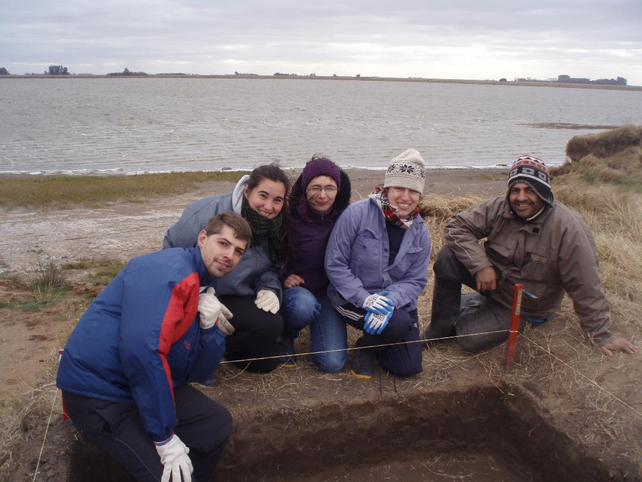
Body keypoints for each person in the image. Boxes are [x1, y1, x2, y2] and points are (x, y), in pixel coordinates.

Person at [56, 212, 252, 482]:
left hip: (133, 386)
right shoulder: (171, 273)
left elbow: (198, 373)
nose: (230, 255)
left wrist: (209, 331)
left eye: (238, 251)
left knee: (214, 425)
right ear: (203, 238)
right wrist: (164, 437)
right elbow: (141, 352)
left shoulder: (203, 285)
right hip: (101, 393)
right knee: (170, 476)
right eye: (223, 243)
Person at [424, 155, 638, 357]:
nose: (521, 198)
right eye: (515, 190)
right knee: (448, 256)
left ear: (543, 192)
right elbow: (457, 226)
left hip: (525, 305)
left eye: (530, 190)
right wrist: (480, 266)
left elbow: (586, 284)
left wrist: (601, 334)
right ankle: (440, 328)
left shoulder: (569, 230)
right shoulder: (500, 207)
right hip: (496, 284)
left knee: (468, 338)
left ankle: (472, 308)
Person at [164, 164, 293, 373]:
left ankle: (218, 350)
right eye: (263, 195)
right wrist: (197, 294)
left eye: (277, 200)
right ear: (247, 190)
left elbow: (270, 268)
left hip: (234, 296)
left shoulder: (278, 225)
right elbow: (170, 252)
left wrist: (269, 287)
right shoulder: (206, 212)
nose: (269, 206)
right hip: (196, 295)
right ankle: (193, 354)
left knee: (265, 361)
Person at [325, 148, 432, 379]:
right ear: (387, 188)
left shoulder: (421, 233)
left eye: (413, 190)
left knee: (408, 368)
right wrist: (366, 299)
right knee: (399, 322)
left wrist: (389, 301)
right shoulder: (356, 214)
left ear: (420, 195)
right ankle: (366, 348)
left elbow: (415, 280)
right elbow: (335, 264)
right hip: (350, 298)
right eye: (399, 188)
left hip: (394, 303)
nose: (405, 197)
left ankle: (374, 342)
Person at [279, 155, 352, 372]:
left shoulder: (347, 217)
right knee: (304, 306)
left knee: (332, 364)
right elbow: (268, 254)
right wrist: (282, 276)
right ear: (304, 189)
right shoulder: (287, 217)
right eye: (315, 188)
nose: (322, 195)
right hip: (297, 293)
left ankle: (320, 328)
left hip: (328, 294)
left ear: (338, 190)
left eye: (329, 188)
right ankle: (285, 335)